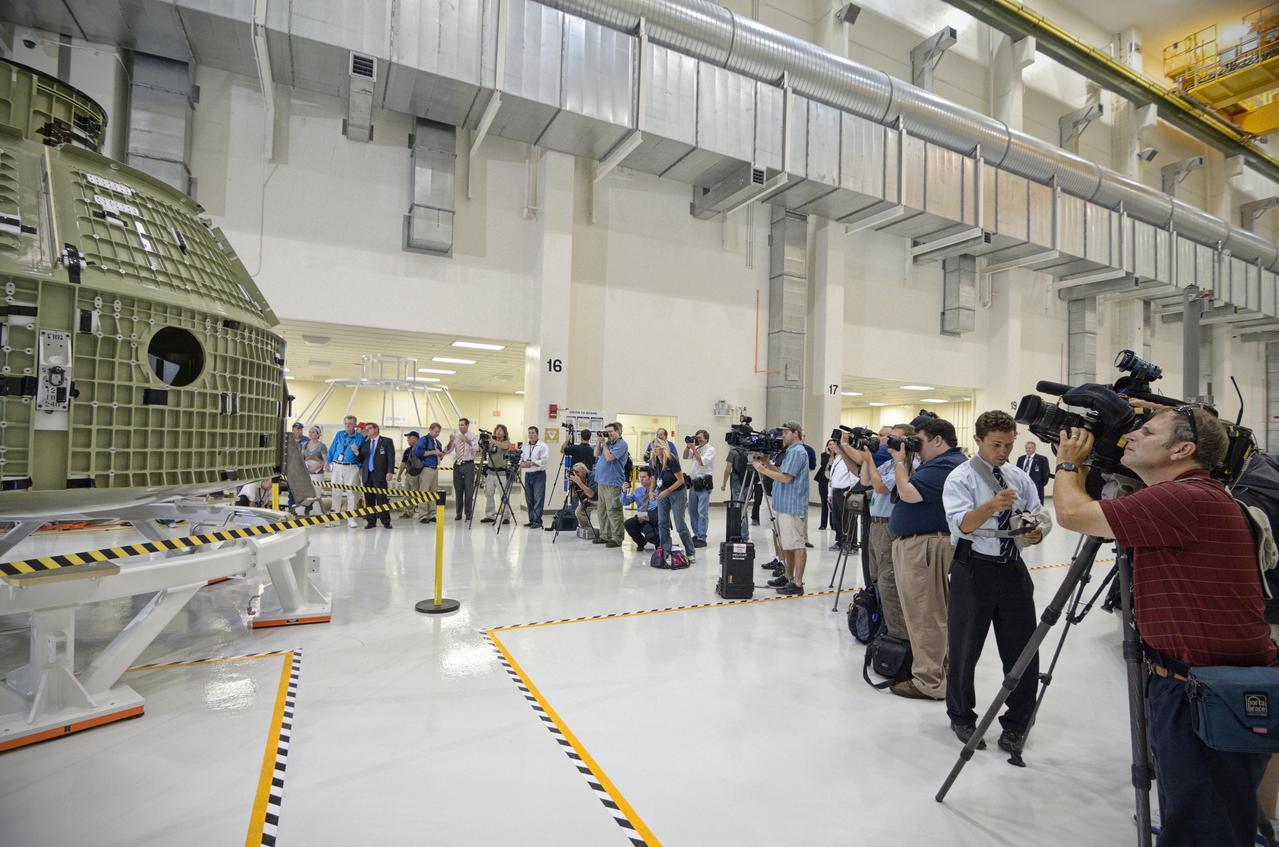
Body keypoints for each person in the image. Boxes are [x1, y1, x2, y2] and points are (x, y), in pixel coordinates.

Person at [1054, 407, 1276, 846]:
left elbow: (1072, 513)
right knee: (1205, 815)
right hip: (1196, 684)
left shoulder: (1185, 498)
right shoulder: (1196, 496)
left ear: (1182, 449)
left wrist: (1069, 463)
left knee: (1204, 828)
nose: (1131, 436)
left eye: (1147, 430)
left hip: (1201, 692)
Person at [941, 411, 1045, 753]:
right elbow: (963, 526)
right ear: (979, 441)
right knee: (965, 647)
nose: (1003, 451)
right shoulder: (961, 478)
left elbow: (1039, 514)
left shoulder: (1019, 477)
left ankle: (1017, 723)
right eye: (996, 445)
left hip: (1012, 569)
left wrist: (1036, 531)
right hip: (974, 570)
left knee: (1022, 651)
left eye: (1008, 444)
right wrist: (991, 505)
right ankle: (961, 715)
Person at [886, 416, 966, 701]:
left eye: (918, 442)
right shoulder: (940, 463)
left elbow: (907, 493)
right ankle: (937, 674)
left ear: (937, 440)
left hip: (926, 548)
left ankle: (929, 681)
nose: (915, 448)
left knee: (925, 615)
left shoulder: (946, 465)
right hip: (924, 545)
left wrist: (898, 461)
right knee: (932, 614)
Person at [846, 424, 914, 643]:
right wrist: (868, 458)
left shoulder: (905, 466)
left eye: (893, 438)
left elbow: (879, 487)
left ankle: (896, 634)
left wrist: (870, 460)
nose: (887, 442)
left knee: (888, 581)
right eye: (887, 437)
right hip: (874, 524)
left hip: (888, 525)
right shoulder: (886, 464)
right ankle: (879, 623)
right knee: (874, 578)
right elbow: (865, 481)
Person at [751, 421, 812, 595]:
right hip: (784, 504)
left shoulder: (798, 452)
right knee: (787, 545)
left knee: (797, 544)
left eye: (785, 433)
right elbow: (782, 472)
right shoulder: (791, 452)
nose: (782, 436)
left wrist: (762, 469)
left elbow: (786, 478)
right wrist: (768, 464)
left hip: (792, 506)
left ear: (796, 433)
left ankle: (798, 583)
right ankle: (788, 576)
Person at [650, 440, 697, 563]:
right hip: (662, 493)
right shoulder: (655, 461)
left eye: (657, 447)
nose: (655, 449)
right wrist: (651, 491)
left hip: (677, 493)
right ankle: (665, 549)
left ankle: (691, 552)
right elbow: (655, 478)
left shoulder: (671, 460)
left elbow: (681, 480)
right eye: (653, 447)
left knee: (679, 524)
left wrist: (668, 491)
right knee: (662, 523)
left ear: (664, 448)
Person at [593, 422, 629, 549]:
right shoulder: (607, 443)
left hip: (613, 483)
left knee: (613, 511)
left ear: (618, 431)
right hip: (602, 482)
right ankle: (605, 535)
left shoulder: (622, 444)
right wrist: (599, 442)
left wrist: (604, 444)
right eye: (606, 431)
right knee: (602, 511)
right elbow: (596, 454)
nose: (609, 434)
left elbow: (609, 458)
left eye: (611, 431)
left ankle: (617, 537)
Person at [326, 415, 365, 527]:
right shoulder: (339, 434)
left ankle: (351, 519)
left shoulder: (359, 437)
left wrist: (357, 454)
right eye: (346, 423)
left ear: (355, 425)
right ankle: (335, 519)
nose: (348, 426)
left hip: (351, 467)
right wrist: (328, 462)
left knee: (351, 493)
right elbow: (332, 448)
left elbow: (363, 454)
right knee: (336, 492)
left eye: (350, 424)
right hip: (337, 465)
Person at [356, 422, 396, 529]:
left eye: (369, 428)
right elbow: (361, 459)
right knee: (369, 499)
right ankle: (371, 522)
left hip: (380, 474)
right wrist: (357, 453)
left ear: (376, 429)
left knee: (381, 498)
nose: (367, 430)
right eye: (366, 429)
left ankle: (386, 521)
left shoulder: (387, 441)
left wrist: (390, 471)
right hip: (367, 475)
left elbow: (391, 458)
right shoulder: (365, 443)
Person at [682, 430, 715, 548]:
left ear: (706, 439)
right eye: (697, 437)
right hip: (693, 483)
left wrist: (694, 449)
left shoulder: (710, 449)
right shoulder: (695, 447)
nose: (698, 439)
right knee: (692, 511)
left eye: (700, 438)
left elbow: (701, 462)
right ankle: (696, 534)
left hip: (704, 484)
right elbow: (685, 456)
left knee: (702, 512)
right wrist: (688, 446)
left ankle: (702, 537)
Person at [445, 418, 481, 522]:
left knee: (468, 491)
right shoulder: (456, 437)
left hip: (468, 464)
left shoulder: (473, 436)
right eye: (459, 425)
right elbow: (447, 451)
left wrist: (467, 441)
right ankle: (458, 513)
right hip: (458, 465)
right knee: (458, 490)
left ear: (467, 425)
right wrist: (450, 441)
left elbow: (477, 449)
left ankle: (468, 513)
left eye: (462, 425)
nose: (460, 427)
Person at [481, 425, 514, 524]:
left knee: (504, 495)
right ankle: (490, 515)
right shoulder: (492, 442)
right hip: (490, 472)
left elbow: (504, 446)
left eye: (501, 430)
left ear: (505, 433)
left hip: (501, 473)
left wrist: (492, 440)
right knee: (489, 494)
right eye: (497, 430)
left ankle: (505, 516)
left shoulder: (506, 442)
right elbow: (485, 451)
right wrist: (482, 443)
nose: (498, 432)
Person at [827, 438, 856, 552]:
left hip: (845, 492)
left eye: (836, 445)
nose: (833, 447)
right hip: (836, 491)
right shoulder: (836, 459)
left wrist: (850, 490)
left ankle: (851, 544)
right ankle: (840, 541)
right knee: (836, 519)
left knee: (847, 519)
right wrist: (830, 493)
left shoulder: (848, 459)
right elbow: (832, 477)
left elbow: (853, 475)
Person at [622, 467, 661, 551]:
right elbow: (625, 502)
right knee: (628, 524)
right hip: (642, 517)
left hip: (654, 517)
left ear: (651, 478)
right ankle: (641, 542)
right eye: (640, 477)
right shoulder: (638, 491)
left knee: (651, 532)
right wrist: (624, 492)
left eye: (644, 477)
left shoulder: (658, 490)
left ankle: (659, 543)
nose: (641, 479)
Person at [414, 423, 445, 524]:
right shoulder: (424, 440)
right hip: (426, 469)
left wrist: (441, 454)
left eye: (439, 432)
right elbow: (419, 453)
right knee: (424, 492)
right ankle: (423, 515)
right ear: (430, 430)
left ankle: (432, 514)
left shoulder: (438, 442)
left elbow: (440, 455)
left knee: (433, 492)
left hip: (435, 469)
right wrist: (433, 452)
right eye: (436, 431)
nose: (437, 434)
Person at [519, 426, 550, 529]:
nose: (531, 435)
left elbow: (544, 461)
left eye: (533, 433)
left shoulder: (542, 446)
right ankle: (531, 520)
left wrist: (532, 463)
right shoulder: (525, 446)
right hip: (528, 475)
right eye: (529, 433)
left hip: (539, 475)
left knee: (538, 498)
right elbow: (521, 458)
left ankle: (537, 521)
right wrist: (522, 464)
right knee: (529, 499)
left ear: (537, 434)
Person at [721, 443, 752, 541]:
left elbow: (728, 469)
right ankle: (744, 533)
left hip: (737, 484)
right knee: (744, 508)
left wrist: (724, 483)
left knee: (739, 508)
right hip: (748, 482)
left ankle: (743, 535)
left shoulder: (733, 452)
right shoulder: (749, 451)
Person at [397, 431, 426, 519]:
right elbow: (403, 463)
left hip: (418, 475)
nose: (407, 440)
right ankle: (407, 512)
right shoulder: (407, 450)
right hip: (408, 474)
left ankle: (421, 513)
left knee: (415, 495)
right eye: (407, 438)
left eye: (409, 438)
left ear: (416, 439)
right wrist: (399, 474)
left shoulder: (421, 449)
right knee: (407, 495)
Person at [1016, 441, 1052, 505]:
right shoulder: (1021, 459)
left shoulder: (1042, 459)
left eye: (1030, 448)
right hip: (1023, 487)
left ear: (1034, 448)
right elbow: (1017, 472)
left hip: (1036, 486)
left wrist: (1040, 484)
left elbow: (1046, 474)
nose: (1028, 449)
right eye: (1026, 448)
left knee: (1037, 506)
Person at [568, 462, 598, 536]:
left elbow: (591, 494)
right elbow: (571, 495)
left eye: (577, 472)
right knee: (579, 512)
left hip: (600, 499)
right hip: (589, 500)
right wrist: (571, 483)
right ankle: (588, 530)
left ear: (584, 471)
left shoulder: (592, 476)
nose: (575, 474)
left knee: (602, 516)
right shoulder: (578, 479)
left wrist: (579, 482)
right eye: (574, 472)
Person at [816, 441, 834, 531]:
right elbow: (823, 465)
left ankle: (833, 524)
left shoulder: (838, 456)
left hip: (833, 482)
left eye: (833, 444)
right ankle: (823, 524)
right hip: (823, 481)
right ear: (827, 446)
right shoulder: (824, 455)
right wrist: (827, 454)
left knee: (832, 503)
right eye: (829, 444)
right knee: (824, 503)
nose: (831, 446)